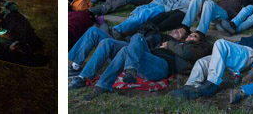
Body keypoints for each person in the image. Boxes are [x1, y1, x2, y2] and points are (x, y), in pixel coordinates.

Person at [83, 28, 212, 99]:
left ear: (200, 41)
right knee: (131, 43)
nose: (190, 38)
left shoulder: (197, 49)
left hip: (162, 66)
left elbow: (186, 53)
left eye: (194, 37)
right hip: (150, 60)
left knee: (131, 45)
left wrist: (169, 45)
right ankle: (103, 86)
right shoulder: (178, 44)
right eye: (190, 36)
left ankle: (130, 69)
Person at [170, 24, 253, 99]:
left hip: (248, 54)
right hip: (237, 51)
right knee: (202, 62)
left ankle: (212, 83)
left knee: (220, 43)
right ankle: (191, 87)